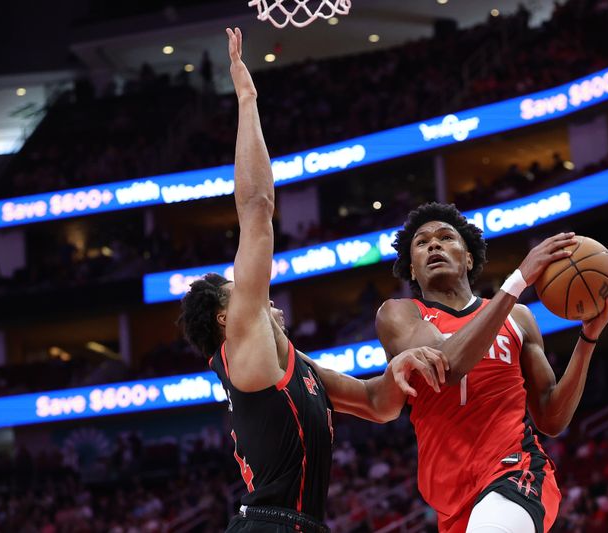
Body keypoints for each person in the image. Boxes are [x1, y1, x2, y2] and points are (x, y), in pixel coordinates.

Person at [178, 29, 446, 533]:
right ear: (224, 316)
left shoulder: (294, 366)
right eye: (243, 294)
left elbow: (374, 404)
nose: (265, 298)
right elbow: (256, 208)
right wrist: (247, 97)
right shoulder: (244, 344)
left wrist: (401, 367)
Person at [376, 202, 608, 533]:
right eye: (421, 243)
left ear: (469, 258)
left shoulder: (518, 317)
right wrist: (518, 281)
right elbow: (446, 368)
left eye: (446, 237)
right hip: (450, 497)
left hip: (515, 469)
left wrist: (587, 339)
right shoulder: (399, 315)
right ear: (410, 269)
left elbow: (551, 417)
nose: (433, 244)